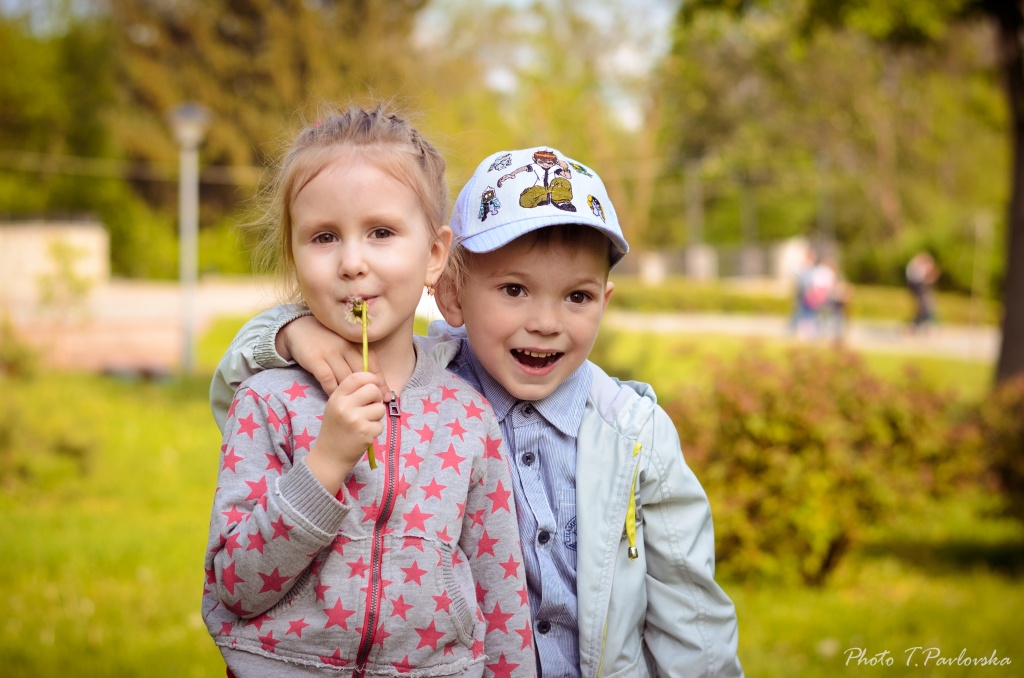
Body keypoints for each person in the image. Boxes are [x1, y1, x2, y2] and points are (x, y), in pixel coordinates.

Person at [212, 146, 744, 677]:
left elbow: (691, 614)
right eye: (514, 289)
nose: (545, 321)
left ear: (604, 300)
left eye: (577, 298)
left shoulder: (633, 432)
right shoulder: (434, 385)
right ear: (452, 296)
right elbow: (237, 387)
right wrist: (289, 331)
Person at [202, 106, 535, 678]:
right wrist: (326, 462)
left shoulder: (467, 418)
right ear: (294, 256)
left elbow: (502, 598)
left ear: (434, 255)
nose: (352, 262)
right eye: (324, 237)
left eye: (381, 232)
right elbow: (236, 586)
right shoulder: (266, 403)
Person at [906, 251, 940, 333]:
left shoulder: (916, 272)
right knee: (924, 310)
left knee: (925, 309)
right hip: (920, 290)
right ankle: (916, 328)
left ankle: (918, 328)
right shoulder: (917, 275)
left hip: (920, 289)